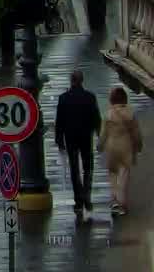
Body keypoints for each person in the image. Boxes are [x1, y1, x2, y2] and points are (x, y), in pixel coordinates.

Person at [57, 70, 104, 220]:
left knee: (74, 170)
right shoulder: (90, 97)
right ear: (82, 80)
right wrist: (99, 134)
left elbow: (60, 121)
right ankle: (87, 197)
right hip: (85, 137)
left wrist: (59, 140)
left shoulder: (63, 98)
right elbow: (97, 118)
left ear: (71, 81)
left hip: (70, 138)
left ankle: (78, 201)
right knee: (88, 167)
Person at [102, 85, 143, 216]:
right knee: (123, 176)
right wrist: (139, 145)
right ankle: (122, 203)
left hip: (111, 147)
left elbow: (103, 133)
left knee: (113, 175)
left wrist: (100, 145)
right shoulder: (130, 114)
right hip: (126, 148)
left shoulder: (108, 114)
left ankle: (114, 201)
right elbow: (136, 134)